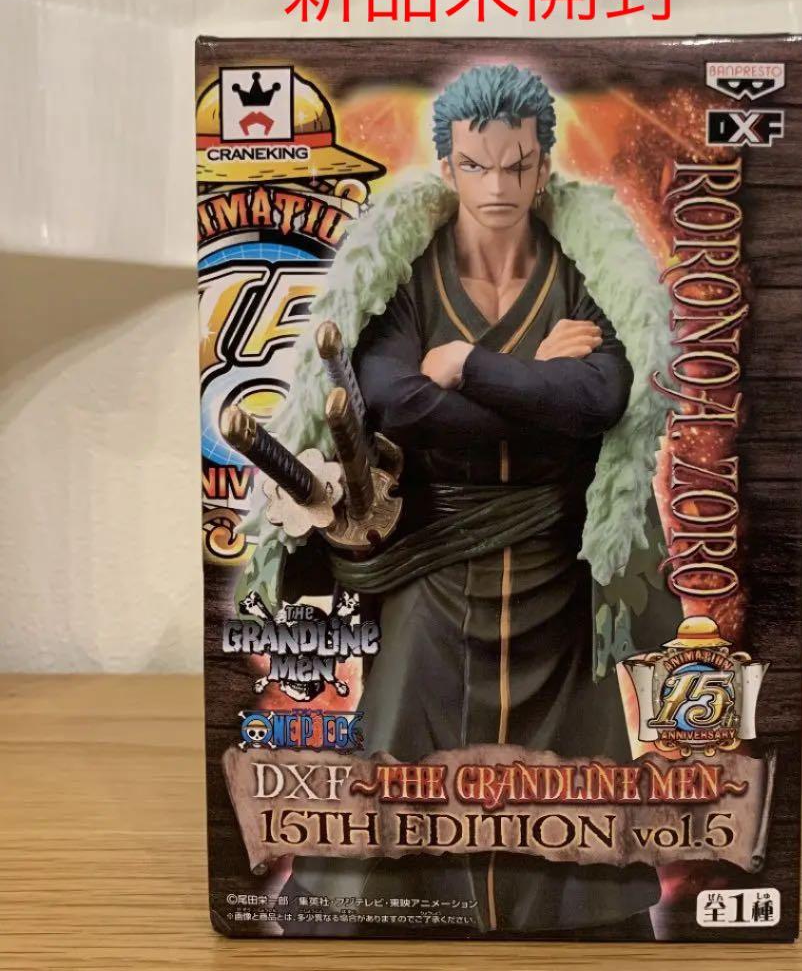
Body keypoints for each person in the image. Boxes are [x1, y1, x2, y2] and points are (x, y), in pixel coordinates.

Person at [241, 65, 674, 936]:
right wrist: (534, 382)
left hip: (558, 559)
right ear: (448, 167)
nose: (498, 186)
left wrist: (469, 364)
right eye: (477, 166)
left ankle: (573, 925)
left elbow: (601, 397)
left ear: (543, 166)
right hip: (430, 560)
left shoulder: (587, 269)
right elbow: (393, 401)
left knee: (574, 783)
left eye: (517, 165)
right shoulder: (405, 274)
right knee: (395, 754)